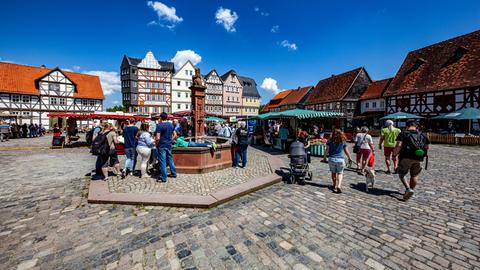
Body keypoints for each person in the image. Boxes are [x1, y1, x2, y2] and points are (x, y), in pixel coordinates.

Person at [393, 120, 430, 201]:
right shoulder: (423, 135)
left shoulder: (403, 134)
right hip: (418, 158)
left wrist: (394, 155)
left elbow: (398, 145)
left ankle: (408, 189)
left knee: (402, 174)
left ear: (407, 126)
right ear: (416, 126)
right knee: (414, 175)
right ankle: (411, 189)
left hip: (405, 157)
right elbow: (427, 147)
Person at [323, 129, 353, 193]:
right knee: (340, 173)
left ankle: (334, 185)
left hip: (331, 159)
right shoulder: (343, 141)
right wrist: (349, 158)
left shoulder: (330, 141)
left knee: (333, 173)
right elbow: (346, 151)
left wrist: (324, 158)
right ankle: (339, 185)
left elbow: (327, 150)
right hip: (340, 160)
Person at [155, 112, 177, 182]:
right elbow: (175, 135)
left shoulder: (159, 125)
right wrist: (171, 140)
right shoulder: (170, 125)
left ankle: (163, 177)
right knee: (170, 159)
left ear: (161, 118)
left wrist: (156, 144)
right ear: (167, 117)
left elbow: (158, 137)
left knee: (162, 161)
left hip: (162, 145)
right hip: (169, 144)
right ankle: (173, 173)